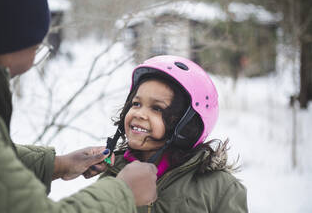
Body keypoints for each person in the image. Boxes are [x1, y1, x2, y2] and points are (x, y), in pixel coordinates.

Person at [0, 0, 158, 212]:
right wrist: (123, 194)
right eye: (37, 47)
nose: (141, 114)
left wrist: (57, 165)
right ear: (3, 41)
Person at [100, 55, 248, 212]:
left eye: (157, 108)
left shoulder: (220, 189)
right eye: (136, 104)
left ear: (187, 128)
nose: (139, 114)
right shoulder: (114, 173)